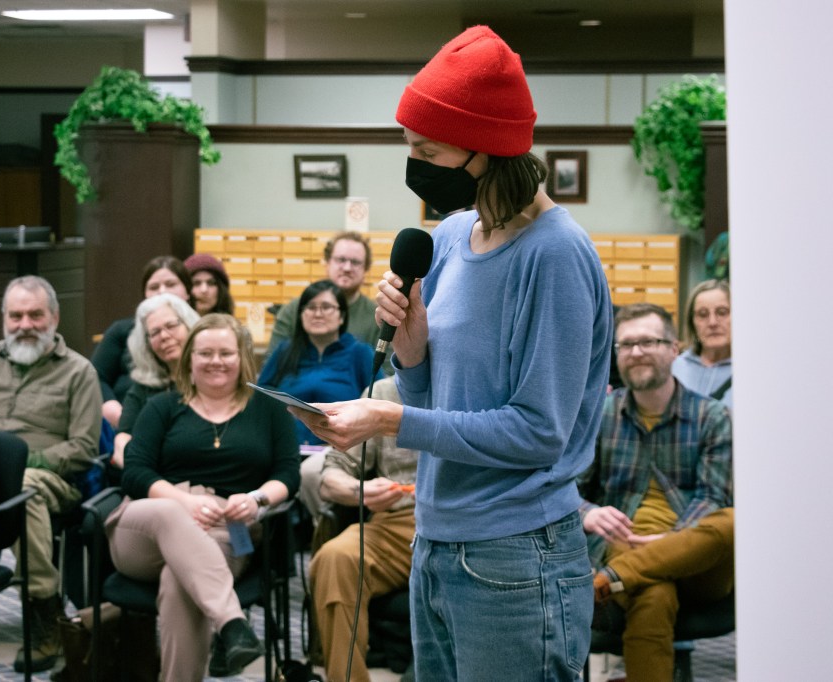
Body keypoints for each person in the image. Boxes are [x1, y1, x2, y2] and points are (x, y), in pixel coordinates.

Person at [291, 26, 612, 680]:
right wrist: (412, 354)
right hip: (436, 540)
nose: (414, 163)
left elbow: (538, 433)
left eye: (426, 149)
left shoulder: (555, 255)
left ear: (486, 148)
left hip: (517, 554)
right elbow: (435, 402)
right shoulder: (452, 235)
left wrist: (388, 419)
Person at [107, 313, 300, 681]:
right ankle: (232, 624)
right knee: (169, 513)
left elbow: (288, 474)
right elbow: (134, 472)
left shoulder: (269, 410)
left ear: (243, 357)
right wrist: (185, 503)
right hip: (145, 526)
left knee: (178, 582)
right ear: (189, 359)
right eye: (205, 353)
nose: (216, 361)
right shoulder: (162, 407)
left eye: (226, 353)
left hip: (227, 529)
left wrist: (257, 499)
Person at [0, 275, 101, 673]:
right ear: (4, 318)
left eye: (35, 315)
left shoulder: (78, 372)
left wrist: (19, 463)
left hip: (50, 480)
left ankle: (43, 611)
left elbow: (84, 447)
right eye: (16, 316)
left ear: (55, 317)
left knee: (22, 489)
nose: (25, 325)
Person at [579, 303, 733, 682]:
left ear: (674, 348)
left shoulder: (712, 417)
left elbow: (714, 498)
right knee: (655, 594)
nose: (636, 352)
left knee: (733, 521)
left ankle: (611, 578)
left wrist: (674, 539)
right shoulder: (601, 415)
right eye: (626, 344)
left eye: (648, 342)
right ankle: (617, 576)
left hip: (695, 558)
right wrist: (589, 513)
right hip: (623, 541)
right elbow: (569, 490)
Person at [310, 377, 417, 682]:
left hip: (467, 519)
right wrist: (361, 491)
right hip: (399, 521)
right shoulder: (383, 392)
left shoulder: (476, 380)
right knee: (335, 557)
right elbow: (331, 473)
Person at [258, 279, 377, 446]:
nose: (318, 314)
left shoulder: (360, 353)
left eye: (326, 307)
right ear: (301, 314)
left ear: (342, 316)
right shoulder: (285, 351)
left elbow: (378, 401)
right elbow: (261, 395)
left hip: (341, 449)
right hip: (287, 447)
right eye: (311, 307)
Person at [91, 256, 193, 428]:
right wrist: (114, 409)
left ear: (187, 292)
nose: (162, 291)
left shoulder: (202, 331)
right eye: (153, 287)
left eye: (170, 284)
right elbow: (95, 375)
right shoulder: (121, 330)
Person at [111, 292, 200, 467]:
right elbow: (123, 440)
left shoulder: (213, 379)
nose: (164, 336)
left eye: (171, 325)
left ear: (190, 326)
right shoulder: (142, 388)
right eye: (155, 332)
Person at [266, 231, 378, 359]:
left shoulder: (378, 317)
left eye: (355, 262)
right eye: (341, 260)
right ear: (327, 263)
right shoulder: (293, 311)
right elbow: (273, 363)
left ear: (365, 269)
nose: (347, 268)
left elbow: (387, 369)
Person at [671, 279, 732, 410]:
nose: (712, 322)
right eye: (702, 315)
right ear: (692, 323)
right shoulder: (674, 368)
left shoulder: (751, 371)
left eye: (722, 312)